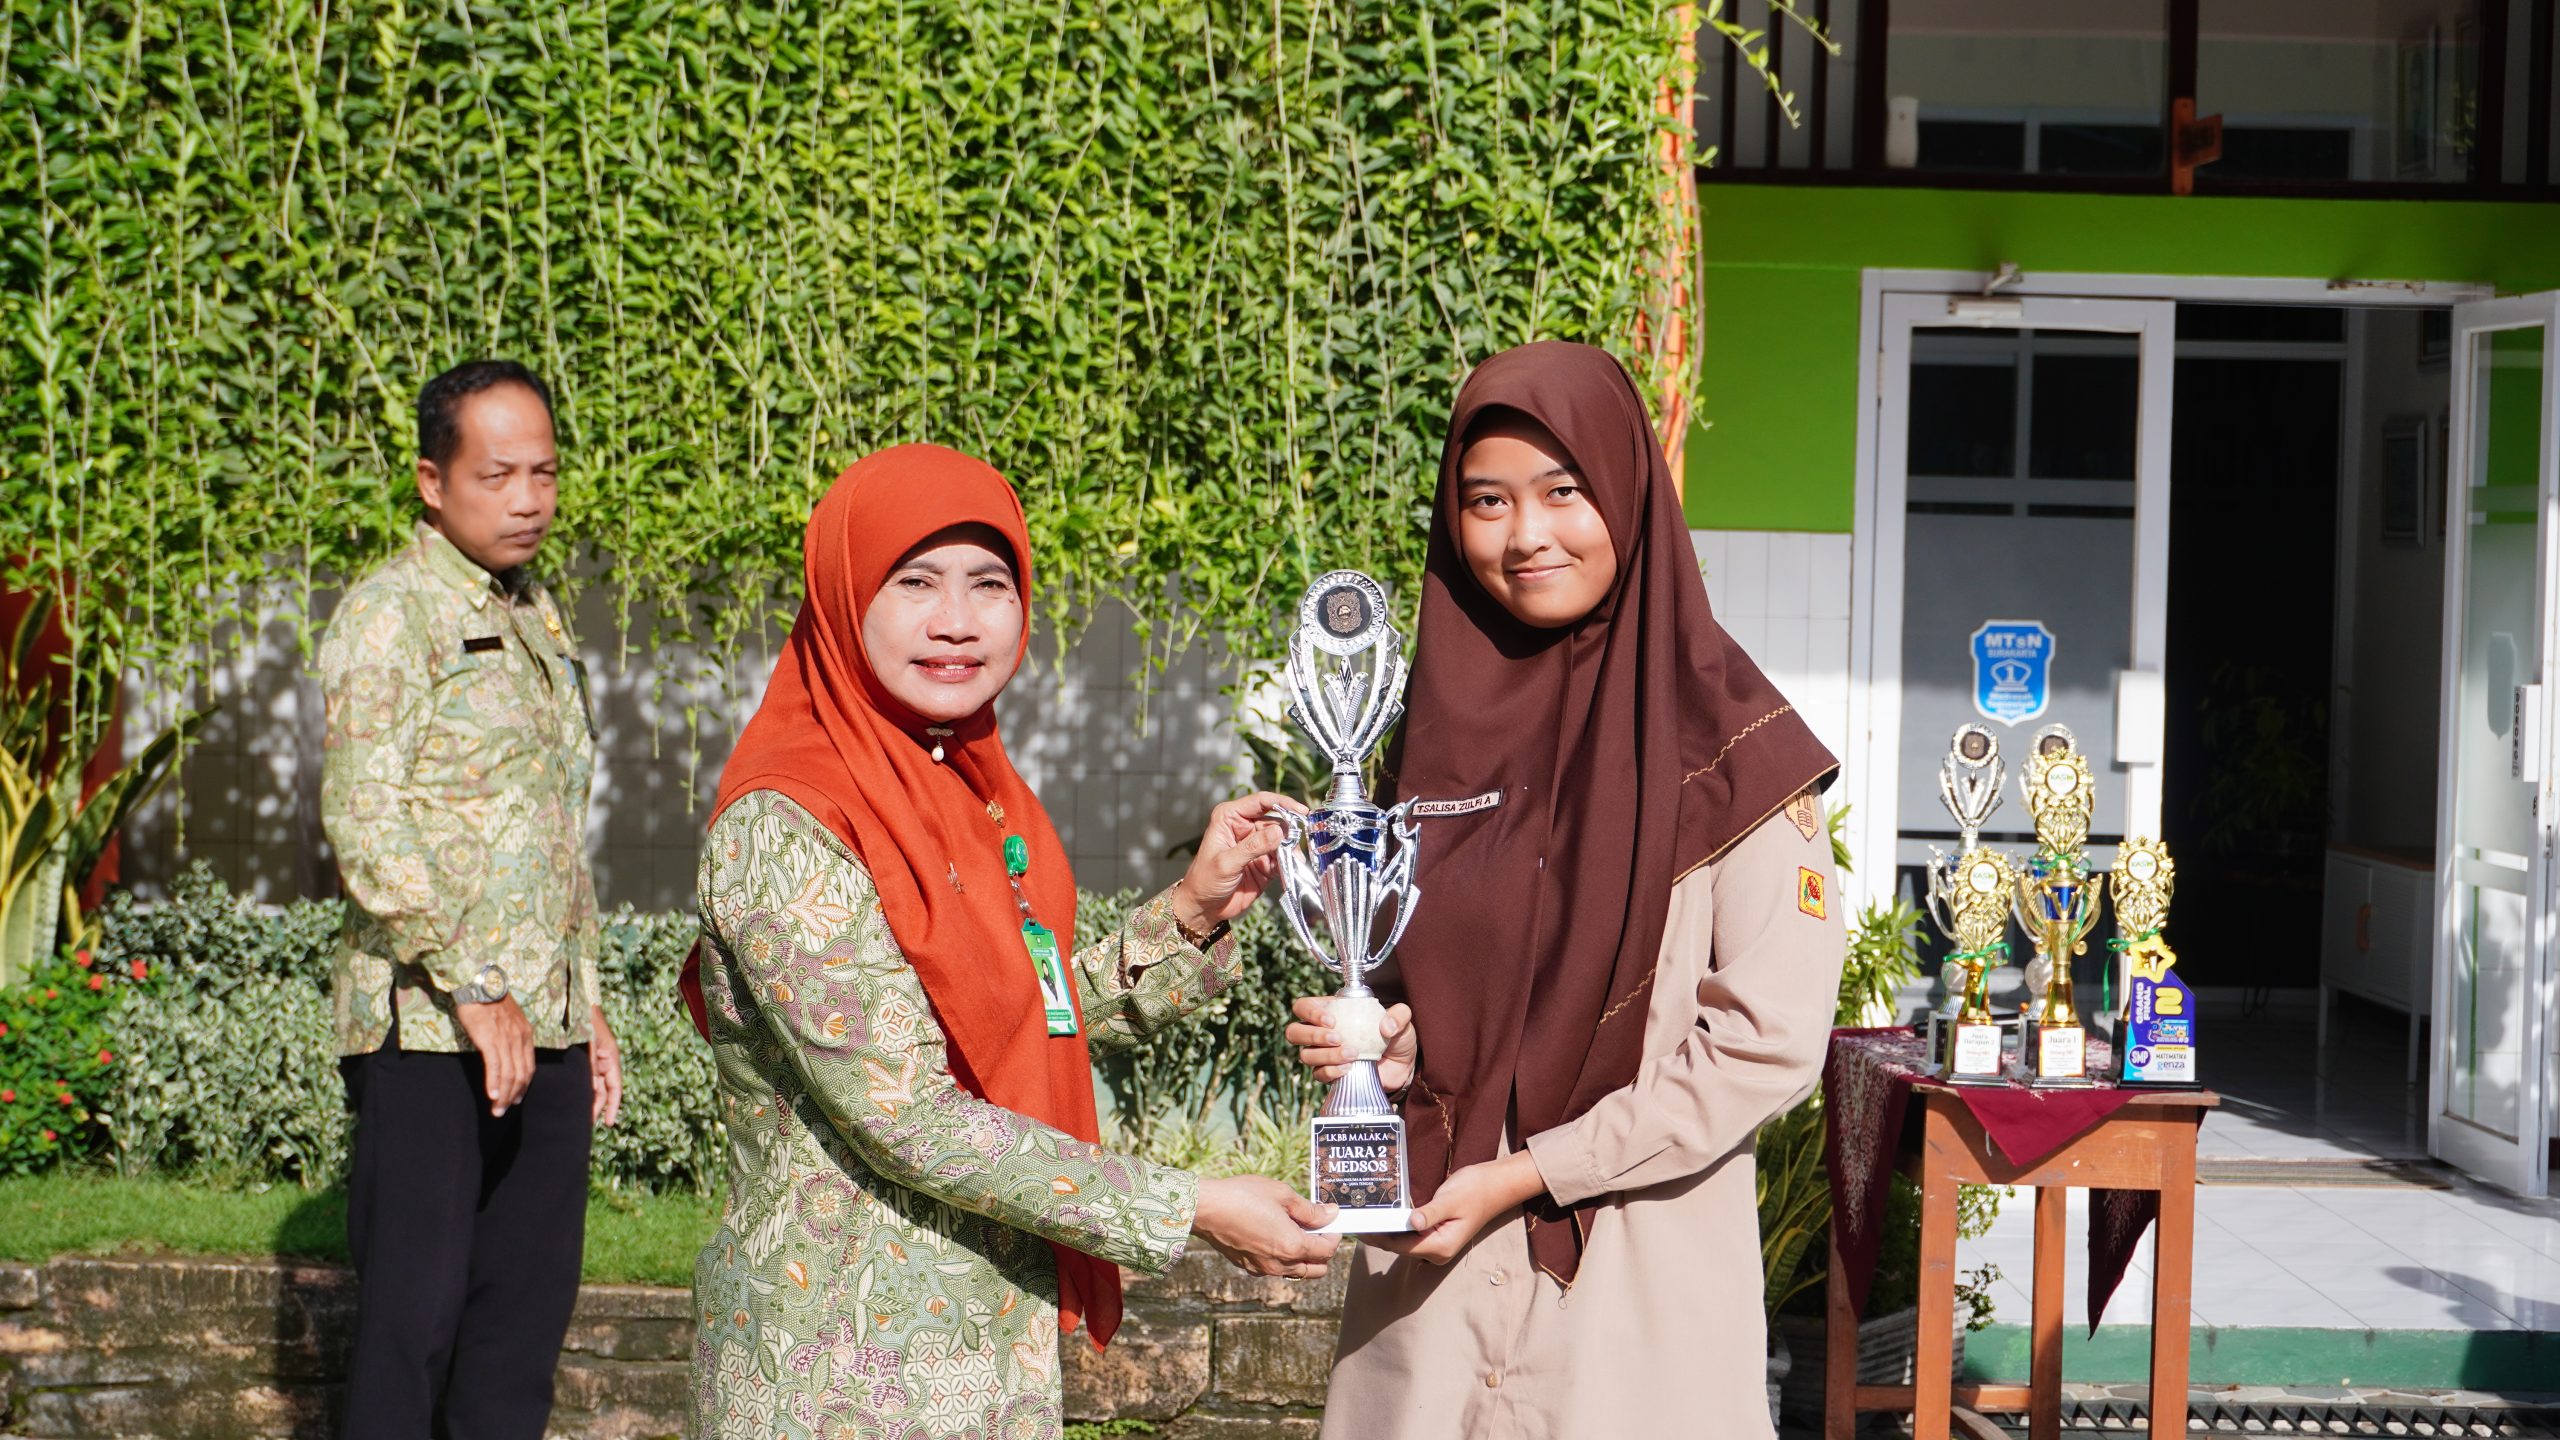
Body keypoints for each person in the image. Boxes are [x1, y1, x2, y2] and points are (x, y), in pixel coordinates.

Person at [685, 443, 1338, 1439]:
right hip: (834, 1373)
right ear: (844, 596)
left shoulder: (964, 787)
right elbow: (908, 1112)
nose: (957, 620)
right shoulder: (790, 818)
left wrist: (1192, 912)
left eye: (989, 584)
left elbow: (1019, 1023)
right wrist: (1189, 1207)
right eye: (915, 583)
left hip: (983, 1354)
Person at [1287, 342, 1846, 1438]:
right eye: (1486, 501)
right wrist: (1388, 1049)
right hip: (1430, 1306)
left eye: (1562, 492)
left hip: (1631, 1302)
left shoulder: (1735, 756)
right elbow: (1432, 988)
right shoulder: (1433, 747)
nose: (1525, 536)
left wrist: (1532, 1173)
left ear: (1628, 494)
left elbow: (1766, 1045)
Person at [318, 359, 623, 1440]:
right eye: (497, 475)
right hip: (427, 1028)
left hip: (541, 1024)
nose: (528, 499)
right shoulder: (390, 616)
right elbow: (366, 824)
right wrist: (478, 987)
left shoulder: (535, 614)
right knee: (412, 1335)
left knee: (518, 1338)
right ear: (431, 483)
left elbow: (551, 832)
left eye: (544, 472)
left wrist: (585, 1004)